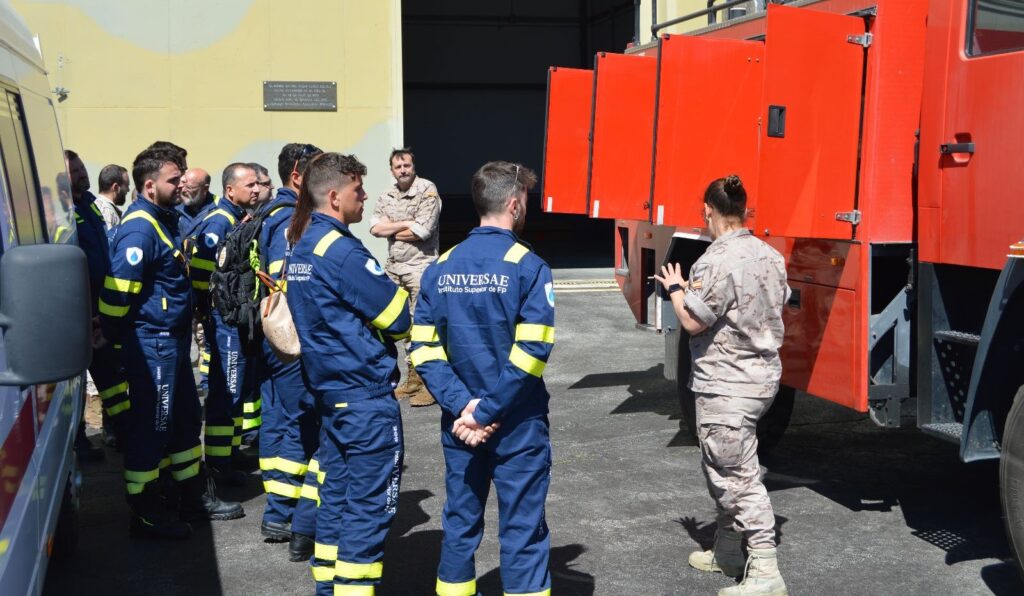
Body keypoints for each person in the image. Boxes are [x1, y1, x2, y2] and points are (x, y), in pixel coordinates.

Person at [411, 161, 555, 596]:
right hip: (518, 424)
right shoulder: (529, 267)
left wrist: (465, 408)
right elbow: (531, 354)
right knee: (523, 529)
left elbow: (423, 349)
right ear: (513, 205)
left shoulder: (440, 266)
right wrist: (488, 410)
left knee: (459, 524)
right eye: (525, 200)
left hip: (460, 424)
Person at [653, 175, 789, 596]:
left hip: (727, 384)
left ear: (707, 212)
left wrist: (676, 289)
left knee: (735, 475)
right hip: (761, 380)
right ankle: (728, 552)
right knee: (726, 466)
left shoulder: (714, 261)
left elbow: (693, 320)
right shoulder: (771, 255)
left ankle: (765, 570)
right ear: (745, 211)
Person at [99, 145, 243, 540]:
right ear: (149, 186)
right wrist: (110, 335)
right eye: (173, 179)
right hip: (153, 344)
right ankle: (146, 511)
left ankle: (191, 498)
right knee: (153, 427)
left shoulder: (165, 219)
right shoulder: (140, 229)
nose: (181, 185)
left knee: (184, 421)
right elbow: (118, 291)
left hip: (172, 343)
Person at [286, 152, 410, 596]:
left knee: (336, 499)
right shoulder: (341, 250)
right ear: (336, 196)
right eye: (359, 190)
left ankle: (328, 587)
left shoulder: (303, 246)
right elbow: (398, 318)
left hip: (330, 394)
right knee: (369, 511)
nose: (366, 197)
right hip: (363, 397)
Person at [256, 143, 323, 562]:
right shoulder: (289, 219)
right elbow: (291, 285)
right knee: (302, 423)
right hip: (290, 341)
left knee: (282, 420)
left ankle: (281, 509)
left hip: (273, 339)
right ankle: (282, 513)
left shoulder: (269, 212)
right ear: (297, 176)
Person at [187, 163, 261, 486]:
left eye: (258, 184)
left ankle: (230, 451)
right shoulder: (220, 222)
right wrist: (206, 310)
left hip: (235, 319)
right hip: (224, 321)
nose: (256, 190)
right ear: (230, 190)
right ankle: (219, 464)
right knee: (226, 392)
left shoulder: (237, 217)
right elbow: (200, 272)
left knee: (237, 388)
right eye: (250, 185)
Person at [369, 148, 441, 407]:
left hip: (420, 266)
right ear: (392, 170)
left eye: (407, 165)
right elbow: (374, 228)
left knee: (424, 325)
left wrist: (391, 228)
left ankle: (431, 383)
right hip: (394, 267)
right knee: (397, 324)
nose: (403, 170)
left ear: (413, 166)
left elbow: (423, 231)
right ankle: (412, 379)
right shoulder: (387, 195)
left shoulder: (427, 190)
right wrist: (405, 223)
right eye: (398, 167)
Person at [65, 150, 125, 459]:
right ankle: (78, 440)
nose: (81, 173)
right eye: (74, 170)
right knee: (73, 382)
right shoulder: (62, 209)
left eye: (80, 168)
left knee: (112, 376)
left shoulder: (89, 204)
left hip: (101, 306)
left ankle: (122, 431)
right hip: (79, 310)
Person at [94, 164, 130, 230]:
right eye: (126, 186)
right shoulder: (107, 211)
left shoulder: (97, 206)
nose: (128, 190)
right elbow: (108, 236)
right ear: (115, 187)